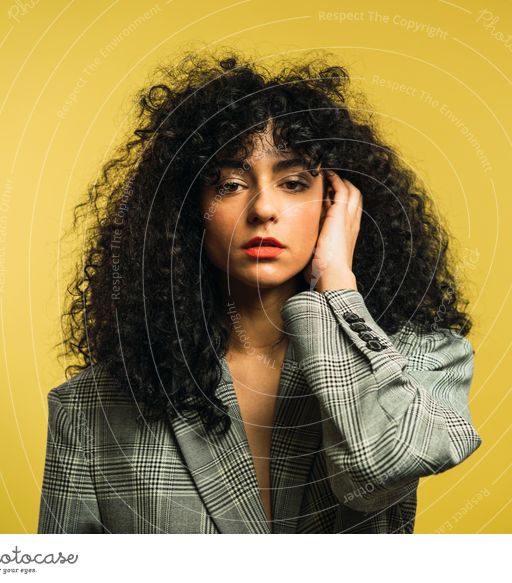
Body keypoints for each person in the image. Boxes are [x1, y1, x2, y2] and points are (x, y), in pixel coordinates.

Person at [38, 48, 481, 534]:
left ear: (336, 205)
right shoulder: (91, 409)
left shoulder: (417, 358)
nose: (264, 207)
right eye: (229, 184)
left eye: (293, 183)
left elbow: (385, 465)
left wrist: (337, 283)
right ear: (187, 214)